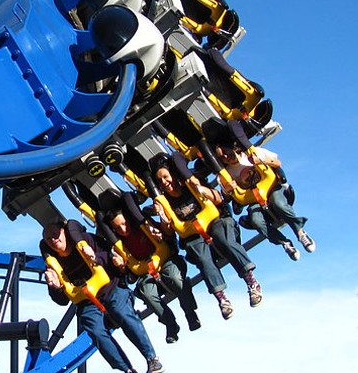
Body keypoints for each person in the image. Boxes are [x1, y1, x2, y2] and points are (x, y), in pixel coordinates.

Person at [41, 218, 164, 373]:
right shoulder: (52, 265)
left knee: (122, 313)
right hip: (88, 302)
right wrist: (55, 287)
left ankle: (152, 358)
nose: (54, 240)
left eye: (56, 235)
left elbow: (110, 255)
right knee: (95, 330)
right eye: (49, 239)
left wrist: (95, 258)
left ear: (64, 232)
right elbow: (61, 301)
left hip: (110, 288)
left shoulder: (85, 240)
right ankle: (128, 371)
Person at [150, 154, 262, 320]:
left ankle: (251, 281)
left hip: (217, 222)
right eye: (160, 181)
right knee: (202, 256)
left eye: (166, 177)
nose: (165, 183)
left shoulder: (192, 182)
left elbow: (219, 199)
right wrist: (164, 220)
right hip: (194, 235)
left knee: (223, 240)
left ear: (173, 174)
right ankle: (222, 298)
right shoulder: (164, 201)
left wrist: (203, 191)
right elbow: (169, 233)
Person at [102, 200, 200, 344]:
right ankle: (170, 324)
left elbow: (169, 235)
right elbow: (128, 273)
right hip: (146, 272)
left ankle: (190, 313)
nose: (123, 229)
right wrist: (122, 266)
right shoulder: (118, 246)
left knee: (174, 278)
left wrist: (162, 231)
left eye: (124, 224)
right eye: (118, 228)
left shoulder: (145, 225)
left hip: (166, 261)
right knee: (147, 293)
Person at [215, 143, 314, 260]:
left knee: (279, 204)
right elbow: (226, 196)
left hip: (271, 189)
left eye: (227, 152)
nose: (226, 157)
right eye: (222, 157)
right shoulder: (225, 174)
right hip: (253, 198)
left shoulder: (253, 153)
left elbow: (277, 163)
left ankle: (300, 233)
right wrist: (228, 189)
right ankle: (284, 243)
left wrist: (261, 160)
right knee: (256, 220)